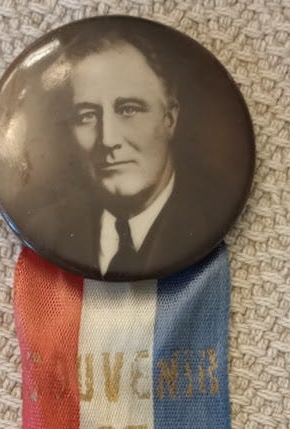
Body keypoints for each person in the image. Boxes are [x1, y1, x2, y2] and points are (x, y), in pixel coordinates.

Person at [52, 22, 219, 280]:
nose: (107, 140)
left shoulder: (212, 216)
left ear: (169, 119)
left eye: (128, 109)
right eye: (87, 116)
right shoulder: (49, 230)